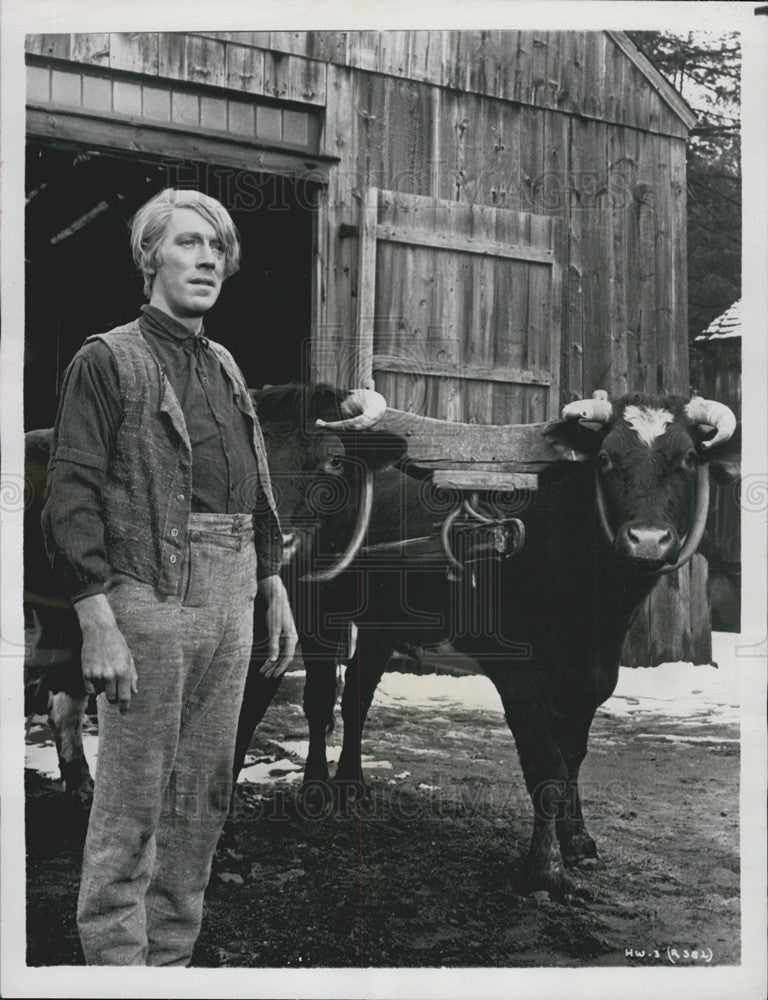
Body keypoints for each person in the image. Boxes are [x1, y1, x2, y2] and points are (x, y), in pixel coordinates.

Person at [42, 187, 298, 966]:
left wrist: (272, 582)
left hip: (232, 596)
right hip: (148, 597)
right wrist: (96, 616)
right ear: (150, 257)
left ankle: (172, 963)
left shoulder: (221, 363)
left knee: (201, 801)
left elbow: (247, 481)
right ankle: (117, 967)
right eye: (188, 243)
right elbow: (71, 495)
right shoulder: (106, 359)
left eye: (217, 247)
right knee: (134, 804)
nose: (207, 259)